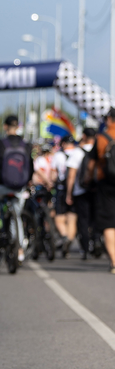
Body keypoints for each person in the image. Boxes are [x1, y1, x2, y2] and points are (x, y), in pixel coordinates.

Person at [0, 115, 33, 262]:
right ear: (18, 126)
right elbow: (31, 167)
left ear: (5, 126)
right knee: (17, 216)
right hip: (19, 187)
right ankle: (20, 250)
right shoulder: (25, 145)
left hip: (0, 185)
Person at [87, 108, 115, 272]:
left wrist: (87, 180)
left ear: (110, 119)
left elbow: (91, 164)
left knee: (109, 224)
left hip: (107, 184)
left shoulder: (102, 138)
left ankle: (114, 261)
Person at [66, 128, 96, 259]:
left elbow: (71, 175)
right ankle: (96, 243)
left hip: (81, 190)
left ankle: (85, 249)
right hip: (97, 190)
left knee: (83, 220)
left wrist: (69, 193)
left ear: (83, 136)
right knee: (95, 219)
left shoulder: (77, 152)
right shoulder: (100, 149)